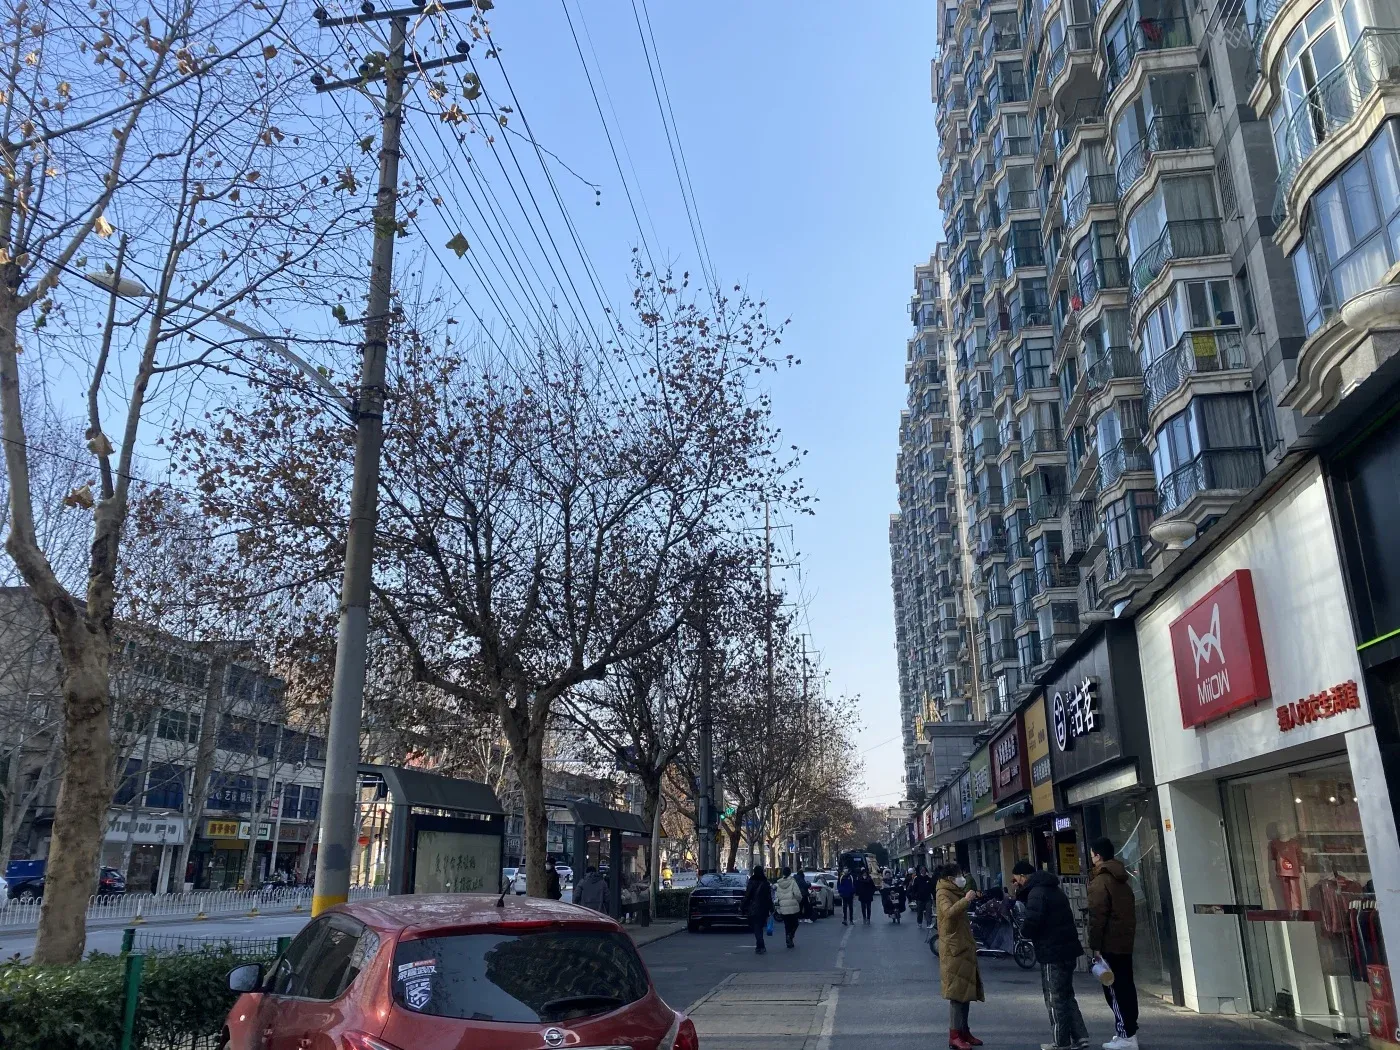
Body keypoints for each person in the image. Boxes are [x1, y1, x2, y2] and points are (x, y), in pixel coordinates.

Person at [1013, 859, 1088, 1050]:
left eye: (1017, 879)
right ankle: (1080, 1036)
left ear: (1023, 876)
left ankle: (1060, 1041)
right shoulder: (1054, 889)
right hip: (1068, 949)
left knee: (1054, 998)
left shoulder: (1036, 893)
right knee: (1067, 994)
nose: (1016, 883)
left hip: (1051, 951)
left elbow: (1032, 921)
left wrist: (1024, 932)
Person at [1088, 838, 1138, 1050]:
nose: (1091, 859)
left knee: (1114, 990)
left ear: (1098, 856)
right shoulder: (1122, 879)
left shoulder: (1101, 881)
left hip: (1109, 942)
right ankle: (1126, 1031)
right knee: (1125, 987)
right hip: (1124, 941)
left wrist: (1095, 945)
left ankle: (1126, 1035)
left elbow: (1097, 916)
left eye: (1092, 855)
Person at [935, 863, 984, 1050]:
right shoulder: (943, 893)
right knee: (957, 995)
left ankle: (964, 1031)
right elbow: (948, 913)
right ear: (950, 878)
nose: (962, 878)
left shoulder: (954, 891)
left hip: (963, 946)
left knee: (966, 993)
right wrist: (966, 900)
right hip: (954, 950)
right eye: (959, 875)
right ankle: (954, 1035)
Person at [742, 865, 774, 954]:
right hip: (764, 908)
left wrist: (742, 906)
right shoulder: (766, 883)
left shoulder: (751, 882)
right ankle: (759, 946)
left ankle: (761, 945)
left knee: (756, 927)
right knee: (759, 927)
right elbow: (769, 897)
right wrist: (771, 908)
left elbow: (747, 896)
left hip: (753, 908)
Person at [774, 866, 804, 948]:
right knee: (795, 923)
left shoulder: (779, 883)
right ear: (790, 873)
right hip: (793, 906)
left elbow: (777, 895)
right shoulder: (792, 882)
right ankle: (790, 936)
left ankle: (788, 939)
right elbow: (798, 894)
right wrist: (798, 901)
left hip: (783, 907)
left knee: (787, 925)